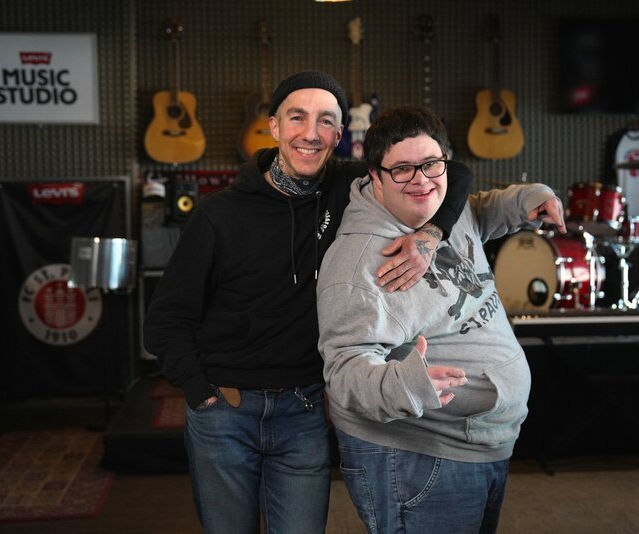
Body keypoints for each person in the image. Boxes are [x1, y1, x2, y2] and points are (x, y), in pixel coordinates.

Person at [142, 72, 477, 534]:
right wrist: (202, 393)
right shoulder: (219, 214)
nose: (311, 133)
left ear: (340, 136)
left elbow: (455, 172)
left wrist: (429, 234)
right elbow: (165, 320)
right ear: (275, 126)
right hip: (225, 410)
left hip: (304, 411)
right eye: (297, 117)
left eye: (326, 121)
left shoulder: (350, 187)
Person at [316, 106, 565, 533]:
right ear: (374, 176)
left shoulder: (443, 209)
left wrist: (531, 197)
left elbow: (484, 208)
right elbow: (342, 372)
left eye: (431, 164)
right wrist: (408, 384)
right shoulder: (359, 264)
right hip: (417, 457)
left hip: (480, 445)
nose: (421, 179)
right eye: (403, 169)